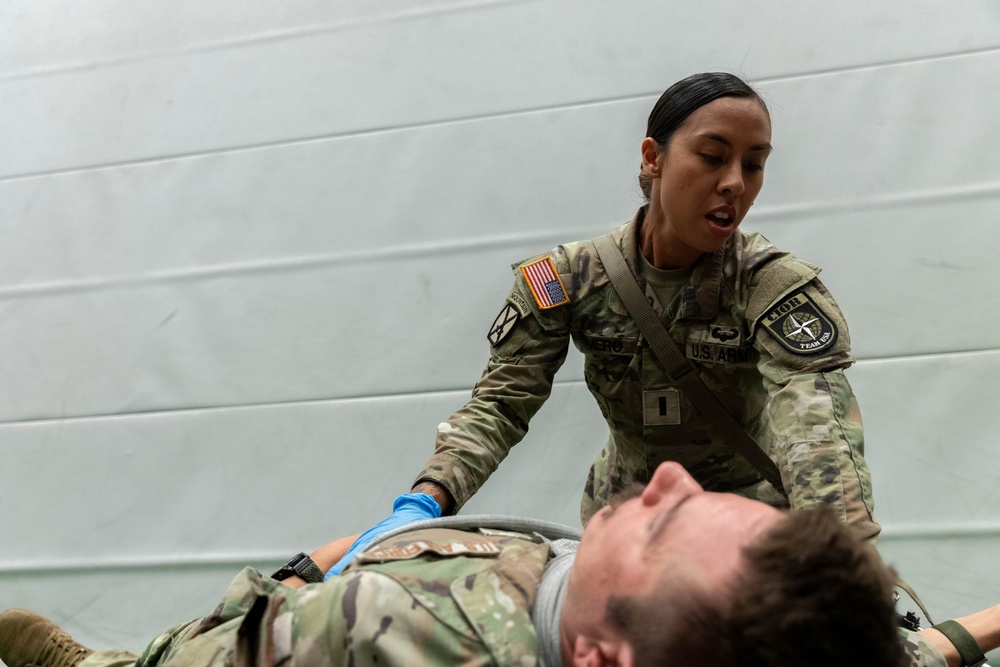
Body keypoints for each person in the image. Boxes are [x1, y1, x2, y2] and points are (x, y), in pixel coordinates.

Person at [397, 70, 880, 550]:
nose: (734, 182)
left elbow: (818, 438)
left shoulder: (770, 286)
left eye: (753, 165)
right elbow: (501, 405)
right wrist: (427, 500)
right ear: (653, 159)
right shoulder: (569, 278)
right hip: (625, 530)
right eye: (712, 157)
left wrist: (841, 561)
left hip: (744, 533)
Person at [0, 463, 991, 667]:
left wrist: (313, 573)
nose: (664, 475)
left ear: (604, 658)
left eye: (659, 524)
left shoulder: (384, 628)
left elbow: (271, 631)